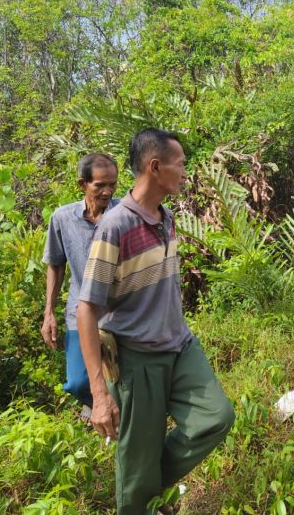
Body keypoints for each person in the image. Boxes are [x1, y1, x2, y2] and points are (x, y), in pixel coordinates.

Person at [77, 129, 235, 515]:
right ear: (155, 166)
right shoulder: (115, 227)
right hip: (137, 359)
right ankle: (142, 497)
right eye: (179, 164)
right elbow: (87, 309)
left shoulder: (167, 218)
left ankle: (149, 486)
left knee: (217, 417)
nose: (184, 171)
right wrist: (99, 394)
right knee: (136, 464)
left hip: (179, 346)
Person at [42, 153, 119, 412]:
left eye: (113, 185)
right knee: (76, 382)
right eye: (100, 185)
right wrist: (48, 313)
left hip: (119, 312)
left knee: (123, 377)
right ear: (82, 184)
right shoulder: (63, 218)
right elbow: (55, 264)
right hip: (80, 311)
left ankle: (119, 419)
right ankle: (100, 404)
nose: (107, 192)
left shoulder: (124, 215)